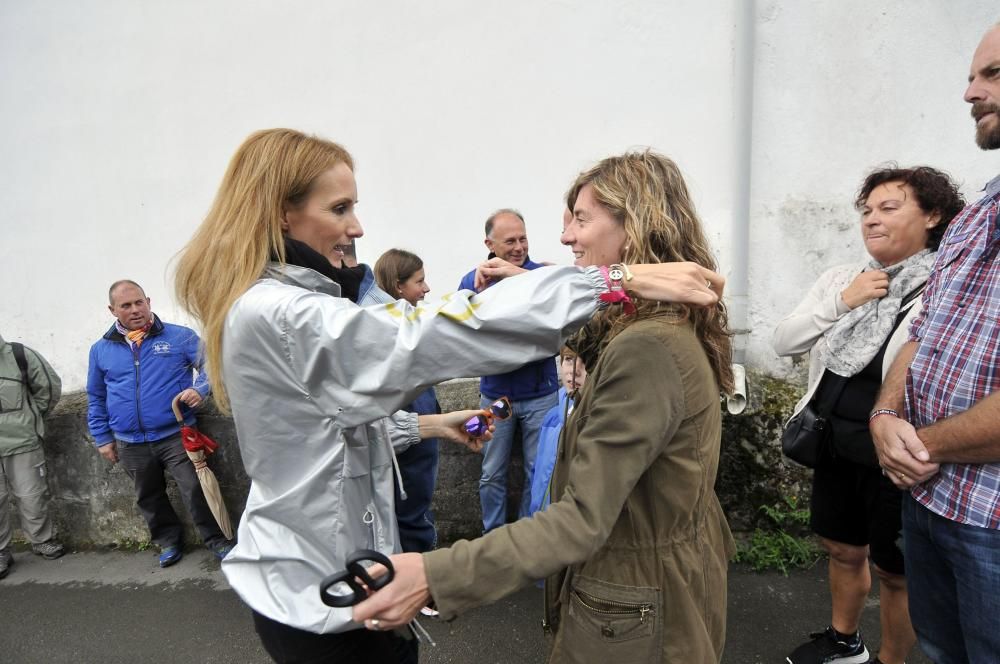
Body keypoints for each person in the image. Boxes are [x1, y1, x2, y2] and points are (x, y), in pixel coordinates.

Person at [172, 129, 725, 664]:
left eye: (580, 220)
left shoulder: (306, 304)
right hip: (317, 595)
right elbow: (422, 336)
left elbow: (334, 427)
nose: (357, 226)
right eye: (339, 209)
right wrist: (609, 280)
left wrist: (432, 427)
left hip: (352, 581)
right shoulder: (284, 314)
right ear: (280, 214)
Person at [355, 150, 736, 663]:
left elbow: (581, 518)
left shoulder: (647, 348)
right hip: (658, 589)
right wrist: (533, 294)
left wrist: (432, 574)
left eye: (581, 219)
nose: (564, 238)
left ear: (636, 225)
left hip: (633, 614)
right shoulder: (664, 327)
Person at [773, 166, 965, 664]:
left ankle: (891, 659)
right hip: (835, 440)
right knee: (841, 548)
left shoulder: (946, 287)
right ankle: (845, 641)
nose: (871, 220)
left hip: (897, 450)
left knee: (895, 569)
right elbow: (785, 340)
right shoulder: (843, 279)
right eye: (866, 211)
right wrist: (843, 300)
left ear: (933, 216)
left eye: (888, 208)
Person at [870, 23, 1000, 663]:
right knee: (943, 653)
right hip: (930, 497)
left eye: (994, 74)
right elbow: (925, 328)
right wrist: (886, 410)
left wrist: (915, 444)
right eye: (973, 76)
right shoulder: (980, 209)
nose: (971, 93)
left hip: (992, 519)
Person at [86, 280, 233, 568]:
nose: (135, 309)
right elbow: (96, 395)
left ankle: (218, 540)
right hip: (130, 441)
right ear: (112, 310)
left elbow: (213, 366)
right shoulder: (101, 350)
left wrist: (200, 389)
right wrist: (102, 437)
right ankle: (168, 541)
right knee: (148, 496)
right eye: (126, 305)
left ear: (148, 301)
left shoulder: (179, 337)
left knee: (195, 488)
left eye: (139, 302)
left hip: (176, 434)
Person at [458, 209, 560, 533]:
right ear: (489, 243)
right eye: (510, 241)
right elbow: (460, 331)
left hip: (541, 394)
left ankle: (531, 545)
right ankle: (494, 542)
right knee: (491, 472)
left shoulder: (541, 275)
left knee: (538, 471)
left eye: (523, 238)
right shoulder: (472, 282)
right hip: (497, 397)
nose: (519, 247)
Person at [373, 249, 441, 555]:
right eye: (420, 281)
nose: (426, 288)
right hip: (408, 443)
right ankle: (417, 589)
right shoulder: (386, 327)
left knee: (414, 512)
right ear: (399, 286)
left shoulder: (406, 320)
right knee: (411, 516)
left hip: (417, 436)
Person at [0, 333, 64, 579]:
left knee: (32, 494)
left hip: (22, 440)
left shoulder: (19, 355)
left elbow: (49, 387)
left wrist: (31, 419)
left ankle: (41, 540)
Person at [528, 345, 587, 516]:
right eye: (569, 360)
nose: (574, 370)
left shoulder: (595, 422)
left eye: (587, 363)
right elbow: (536, 474)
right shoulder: (553, 415)